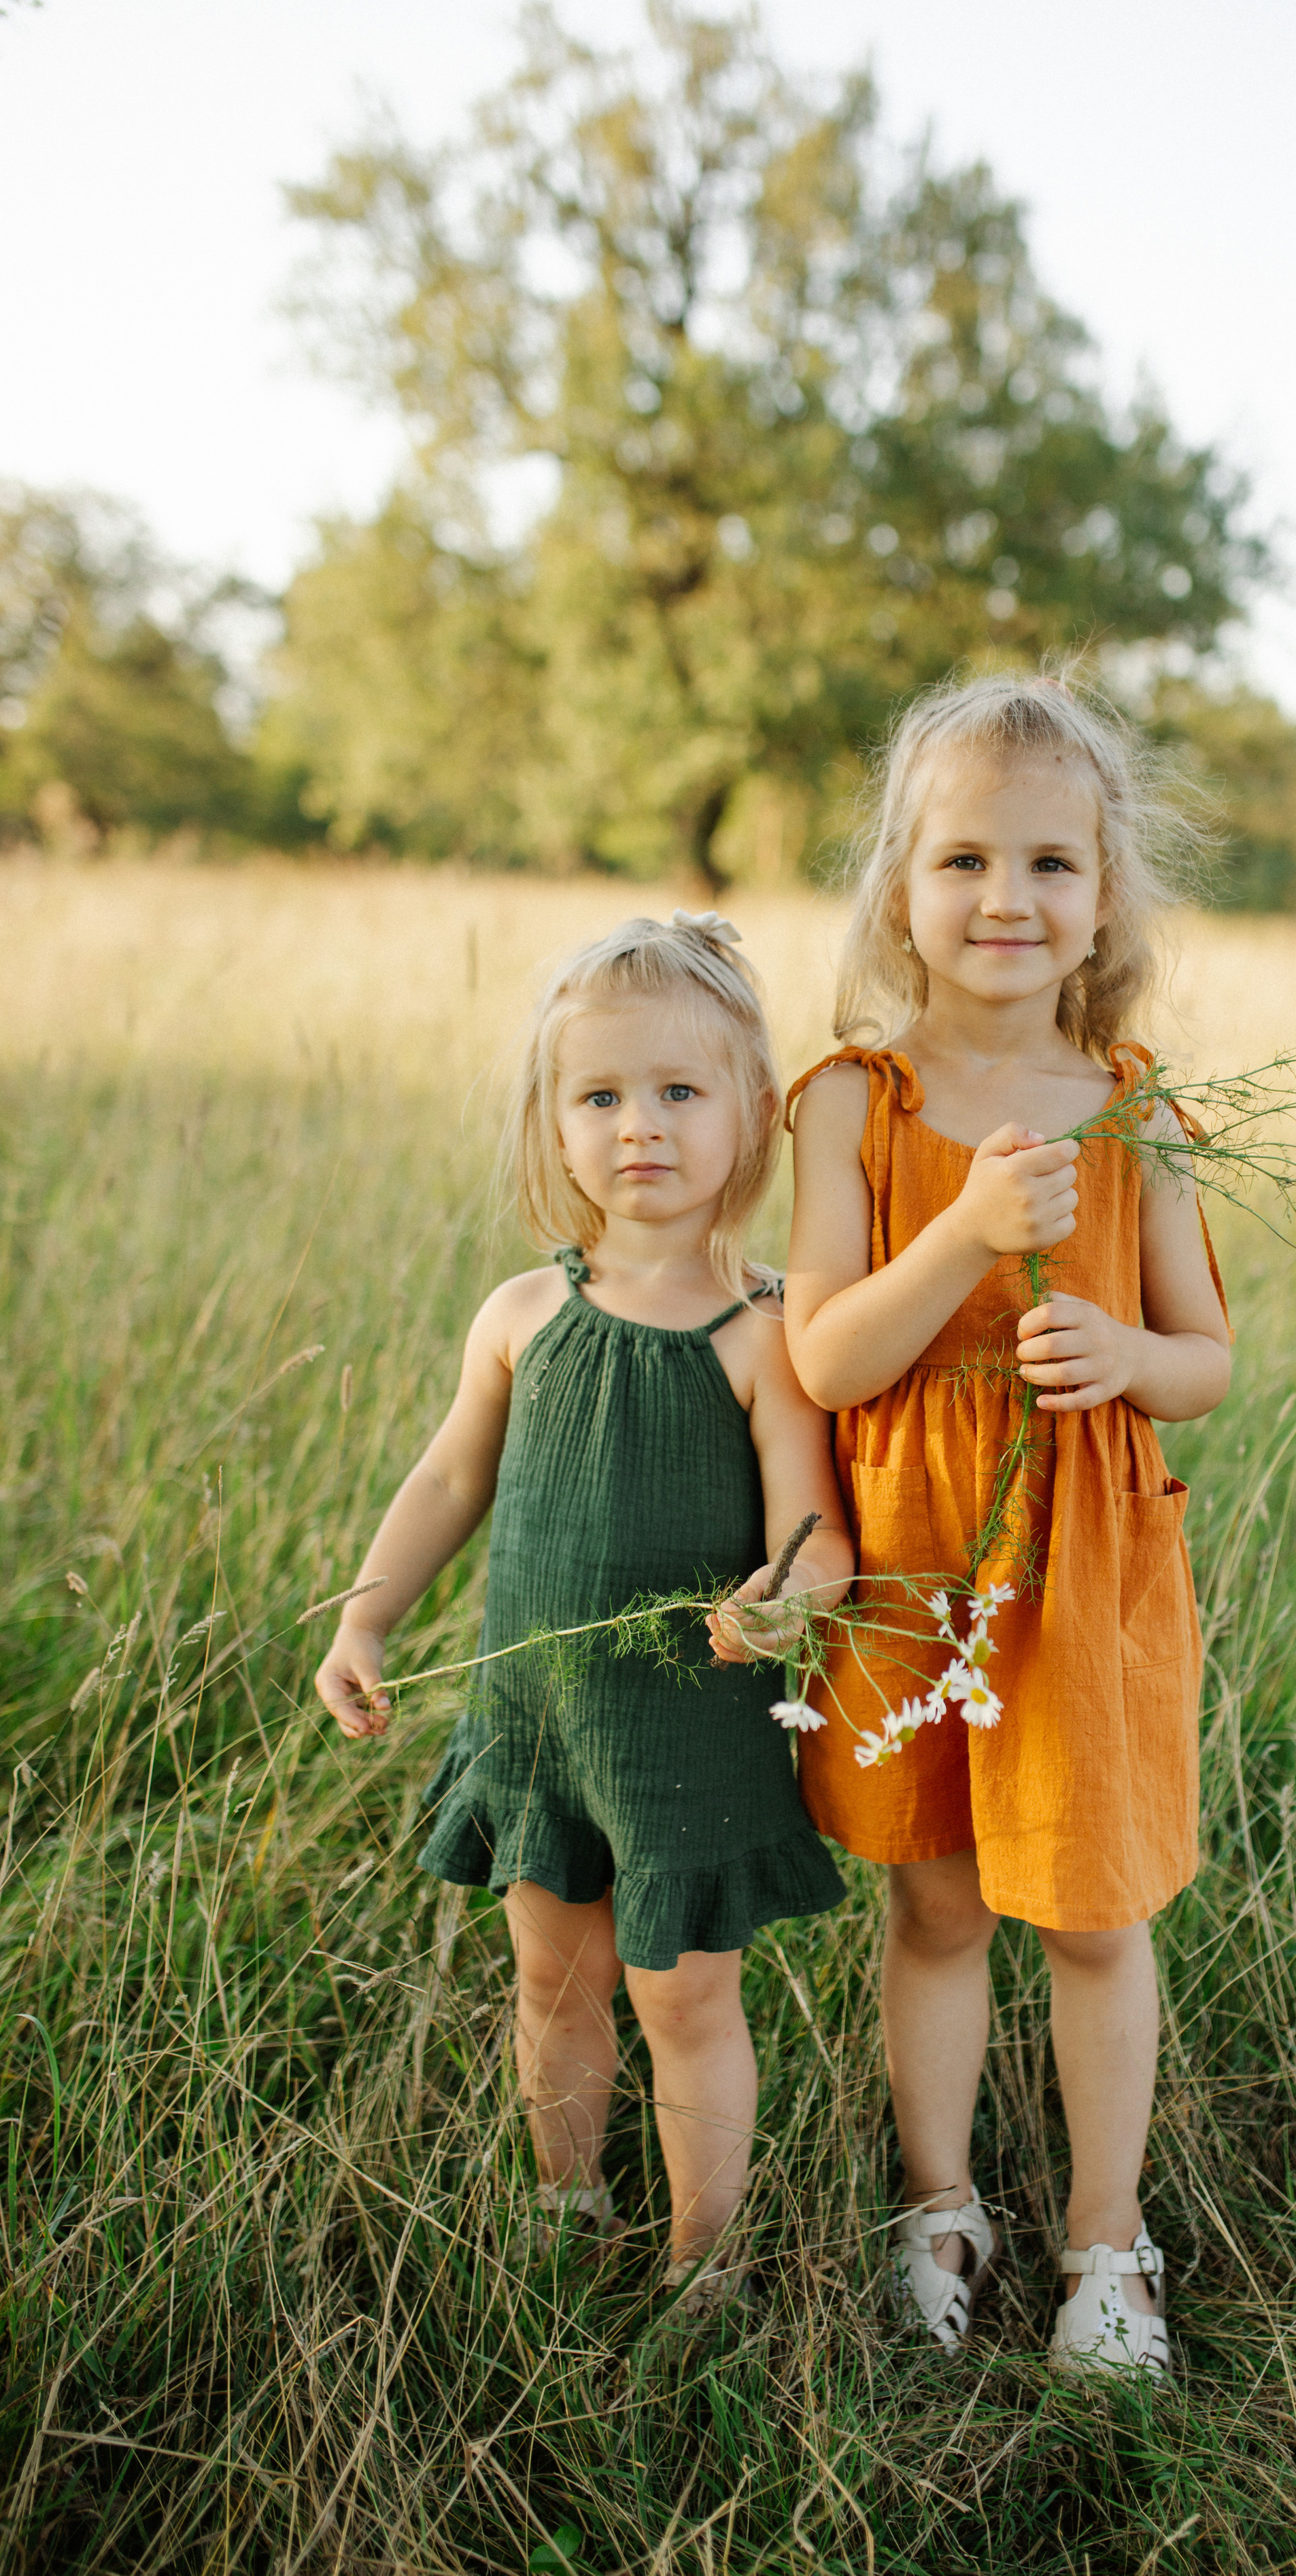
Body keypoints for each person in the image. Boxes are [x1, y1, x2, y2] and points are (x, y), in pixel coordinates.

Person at [783, 674, 1232, 2373]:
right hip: (914, 1564)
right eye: (962, 858)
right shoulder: (854, 1100)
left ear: (1103, 895)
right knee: (940, 1907)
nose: (1004, 899)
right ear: (899, 886)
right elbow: (824, 1353)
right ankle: (939, 2202)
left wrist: (1127, 1353)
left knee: (1096, 1912)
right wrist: (967, 1231)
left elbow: (1204, 1360)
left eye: (1050, 862)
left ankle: (1108, 2244)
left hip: (1086, 1562)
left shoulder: (1136, 1106)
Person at [315, 911, 851, 2305]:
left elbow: (817, 1537)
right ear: (553, 1126)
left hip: (688, 1733)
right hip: (541, 1721)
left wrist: (783, 1601)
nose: (640, 1128)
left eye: (680, 1092)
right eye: (599, 1096)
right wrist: (364, 1619)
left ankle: (704, 2260)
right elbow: (447, 1478)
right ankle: (563, 2202)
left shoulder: (767, 1337)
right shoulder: (519, 1315)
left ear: (748, 1112)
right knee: (552, 1985)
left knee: (683, 1995)